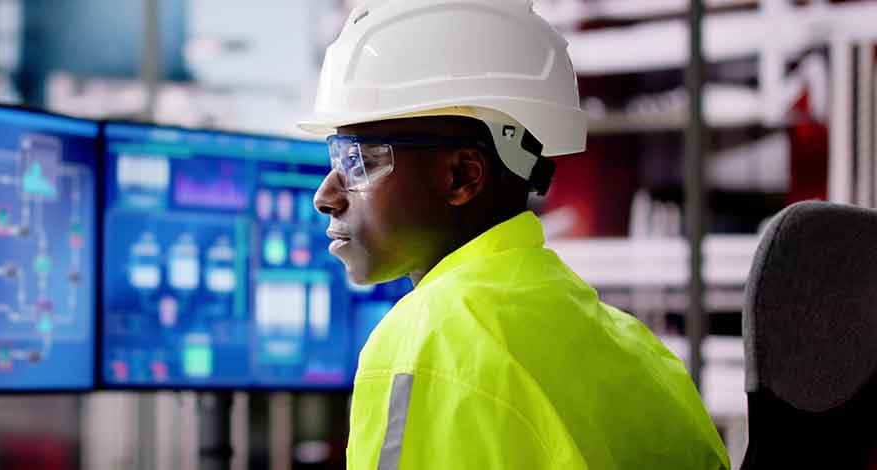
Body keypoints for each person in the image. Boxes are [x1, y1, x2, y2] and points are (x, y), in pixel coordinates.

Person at [301, 1, 731, 468]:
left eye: (358, 161)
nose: (326, 195)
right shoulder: (638, 349)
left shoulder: (424, 340)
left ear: (462, 176)